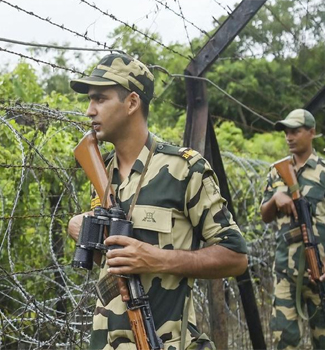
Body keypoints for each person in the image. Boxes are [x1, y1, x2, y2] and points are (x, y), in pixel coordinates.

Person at [67, 53, 248, 350]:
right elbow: (110, 262)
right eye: (89, 100)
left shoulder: (184, 170)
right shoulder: (102, 171)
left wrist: (156, 258)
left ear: (132, 103)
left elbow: (236, 257)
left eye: (100, 99)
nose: (89, 110)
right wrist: (85, 231)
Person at [260, 109, 325, 350]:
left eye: (295, 131)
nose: (289, 137)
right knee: (284, 340)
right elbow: (265, 215)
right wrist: (276, 198)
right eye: (286, 132)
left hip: (320, 273)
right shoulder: (276, 171)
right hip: (285, 270)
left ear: (312, 133)